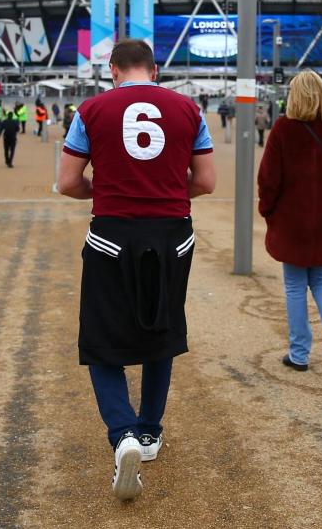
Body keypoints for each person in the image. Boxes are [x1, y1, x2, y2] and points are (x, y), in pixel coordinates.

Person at [57, 39, 216, 502]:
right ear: (155, 68)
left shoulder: (91, 110)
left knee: (102, 335)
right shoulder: (188, 109)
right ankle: (148, 433)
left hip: (112, 235)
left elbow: (68, 182)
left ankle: (122, 432)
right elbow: (205, 181)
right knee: (160, 325)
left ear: (113, 70)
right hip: (172, 235)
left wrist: (106, 186)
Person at [257, 69, 322, 373]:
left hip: (292, 217)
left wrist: (268, 209)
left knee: (294, 285)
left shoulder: (283, 129)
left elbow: (268, 179)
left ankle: (300, 353)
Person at [0, 103, 21, 167]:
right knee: (12, 150)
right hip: (13, 137)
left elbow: (0, 130)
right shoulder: (15, 122)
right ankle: (10, 161)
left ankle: (7, 160)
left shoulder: (4, 121)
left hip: (6, 137)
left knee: (6, 150)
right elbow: (18, 129)